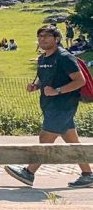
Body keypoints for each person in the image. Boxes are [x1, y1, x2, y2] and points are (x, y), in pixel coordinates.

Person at [6, 25, 93, 188]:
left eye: (46, 36)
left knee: (45, 138)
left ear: (57, 39)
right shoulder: (43, 58)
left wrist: (57, 91)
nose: (42, 39)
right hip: (49, 105)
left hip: (63, 106)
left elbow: (80, 81)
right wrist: (36, 86)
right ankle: (88, 174)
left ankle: (29, 172)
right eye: (40, 36)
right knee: (73, 142)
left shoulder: (65, 57)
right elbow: (45, 79)